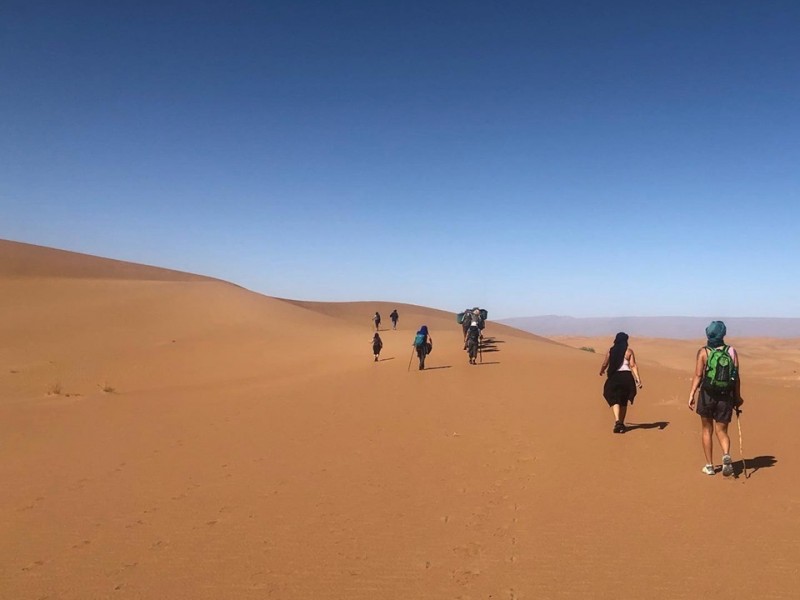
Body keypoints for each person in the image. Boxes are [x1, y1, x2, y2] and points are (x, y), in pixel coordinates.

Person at [688, 321, 743, 476]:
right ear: (722, 334)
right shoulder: (731, 351)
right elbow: (736, 377)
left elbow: (698, 375)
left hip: (707, 395)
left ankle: (710, 466)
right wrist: (737, 397)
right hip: (726, 397)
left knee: (707, 429)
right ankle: (726, 454)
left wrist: (692, 394)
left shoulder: (704, 352)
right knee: (722, 431)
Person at [599, 332, 642, 433]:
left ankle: (618, 421)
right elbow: (633, 365)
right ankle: (621, 423)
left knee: (614, 399)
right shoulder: (629, 351)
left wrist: (601, 370)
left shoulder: (611, 351)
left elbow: (605, 363)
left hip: (615, 377)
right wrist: (638, 379)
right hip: (627, 377)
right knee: (624, 400)